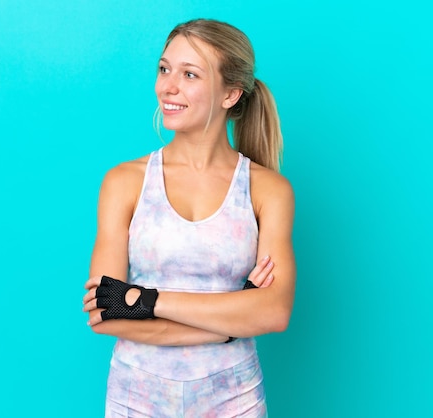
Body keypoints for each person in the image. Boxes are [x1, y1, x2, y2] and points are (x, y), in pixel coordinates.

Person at [83, 18, 296, 417]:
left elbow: (274, 312)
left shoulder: (268, 191)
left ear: (230, 93)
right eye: (164, 69)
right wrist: (232, 321)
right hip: (137, 398)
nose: (168, 86)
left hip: (234, 399)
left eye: (190, 74)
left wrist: (145, 300)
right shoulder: (124, 182)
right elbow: (104, 312)